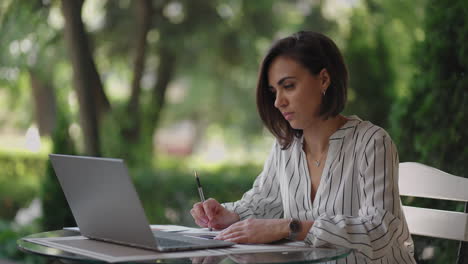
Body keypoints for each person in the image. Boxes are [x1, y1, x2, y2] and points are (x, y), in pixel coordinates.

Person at [190, 31, 416, 263]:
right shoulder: (285, 147)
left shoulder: (372, 142)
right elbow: (263, 201)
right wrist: (229, 215)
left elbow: (380, 231)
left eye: (288, 86)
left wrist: (291, 227)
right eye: (273, 92)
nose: (278, 102)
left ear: (324, 80)